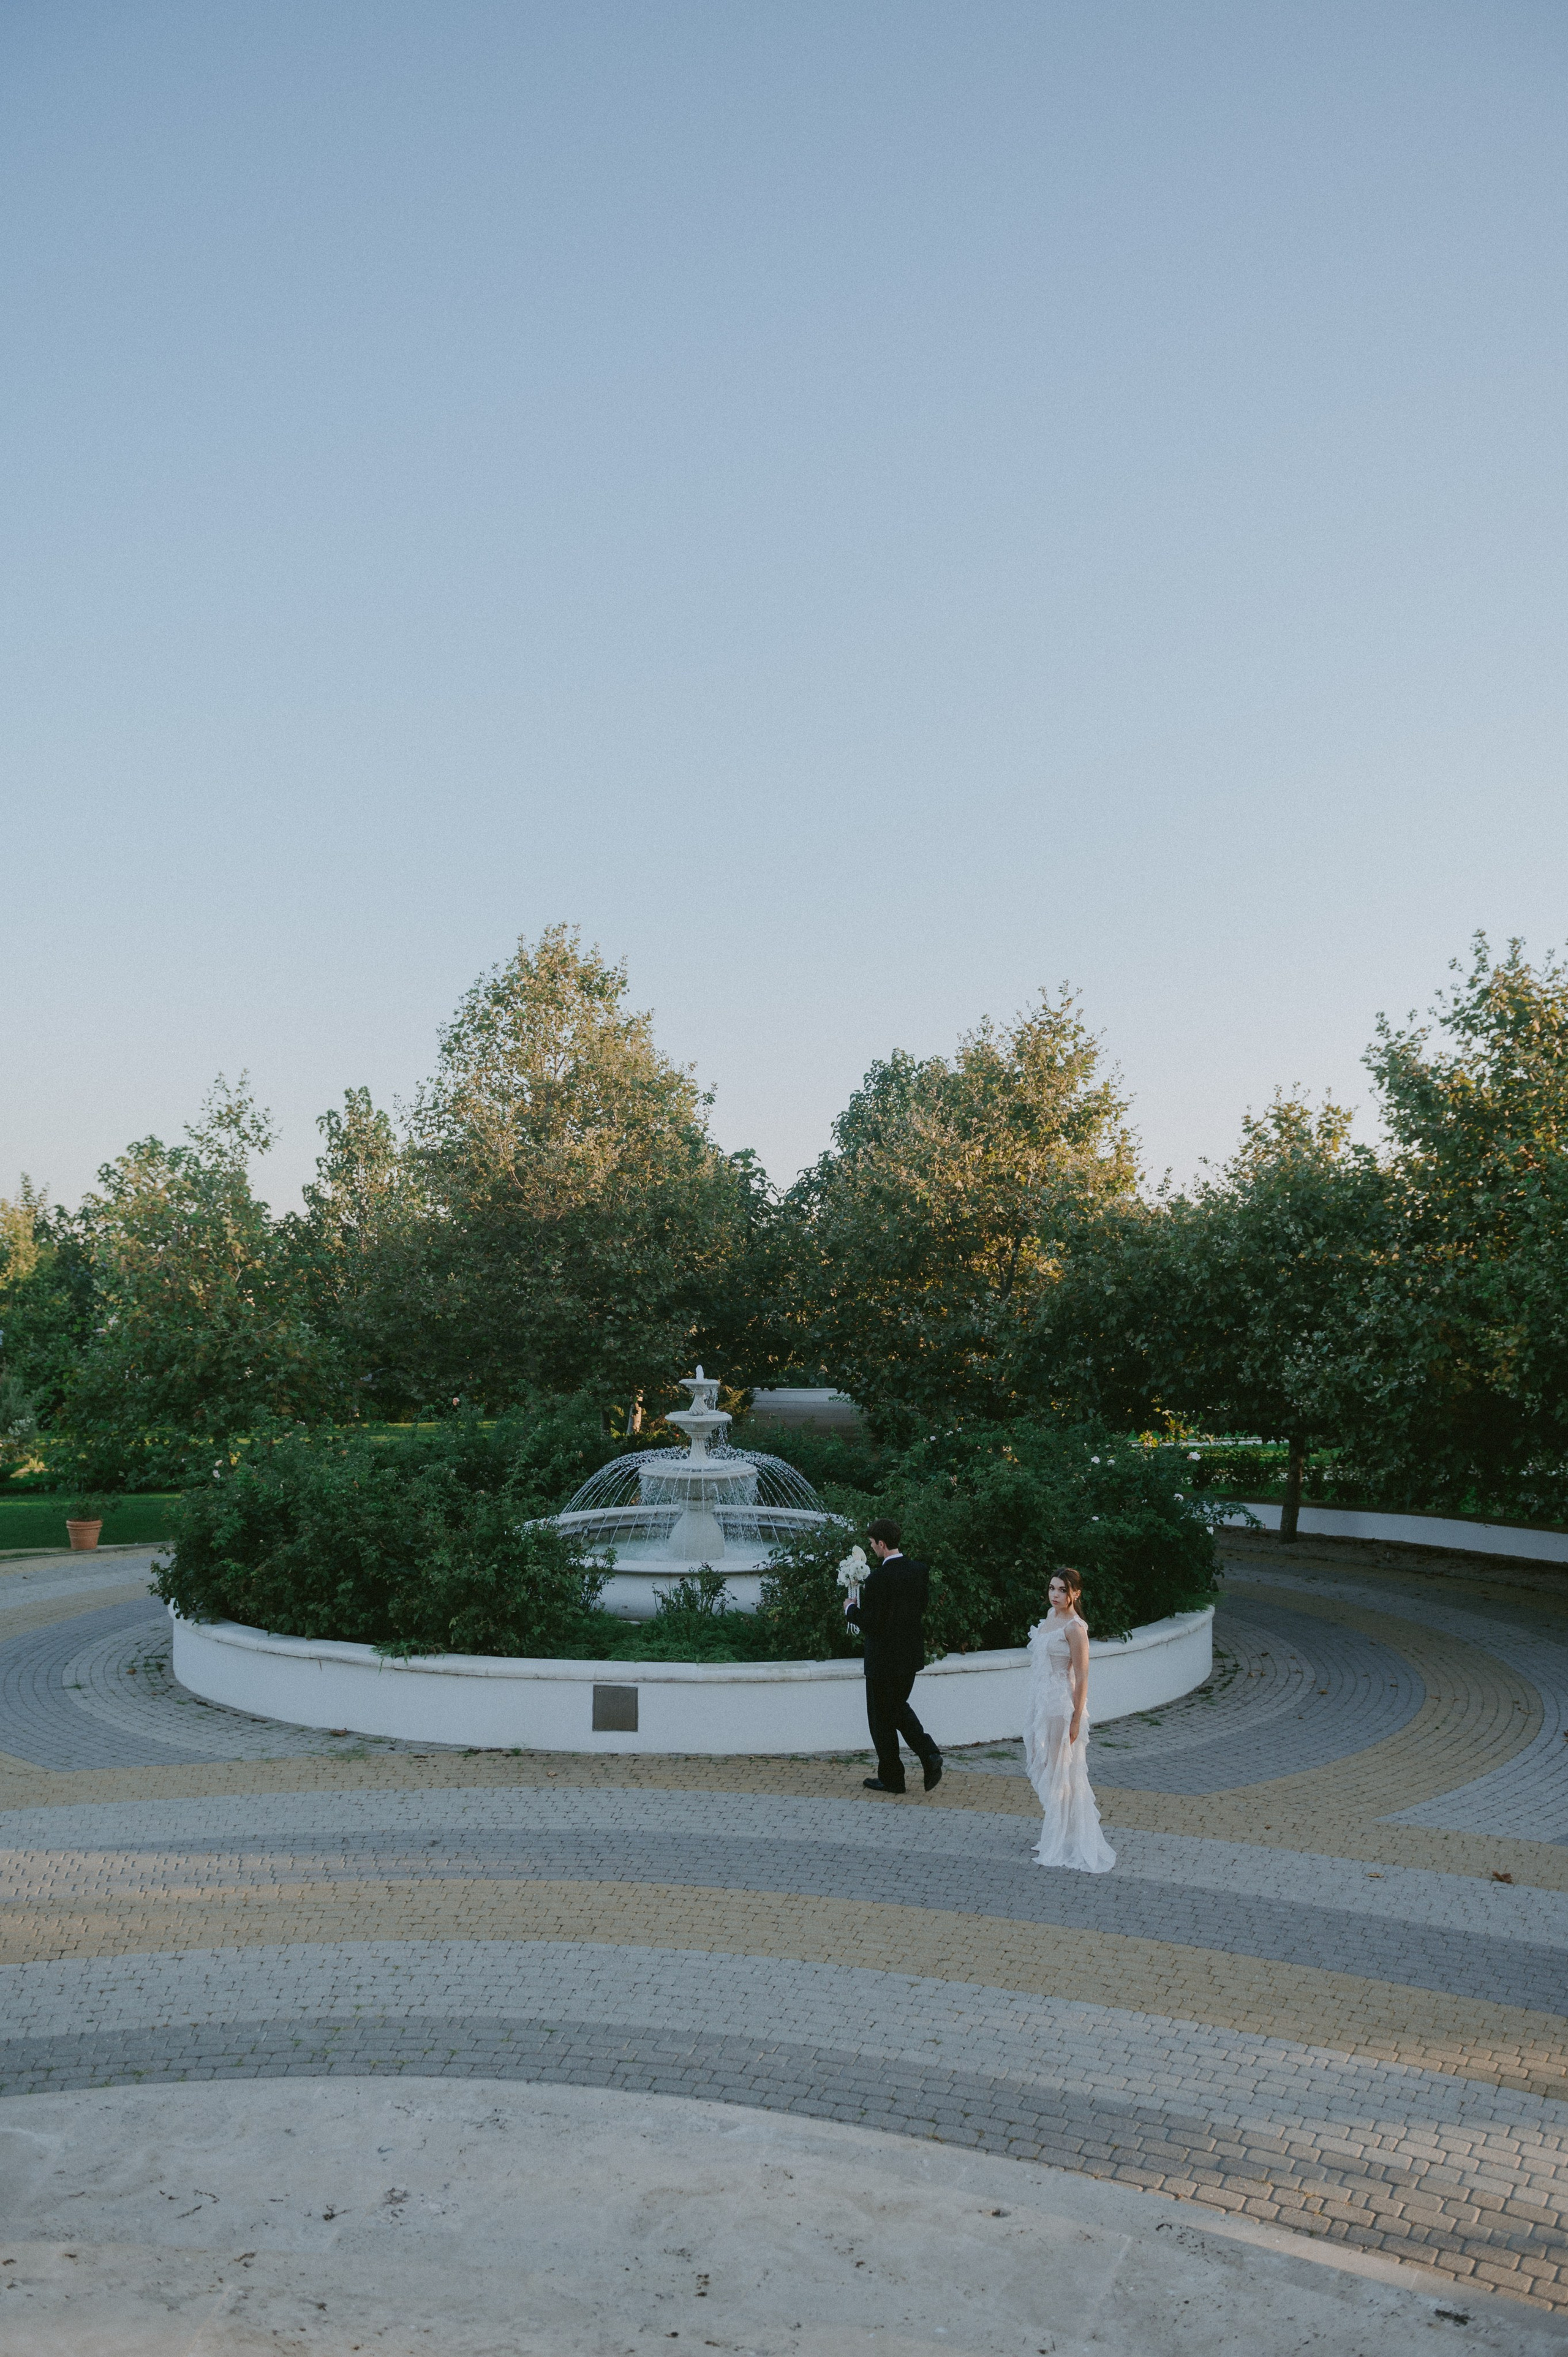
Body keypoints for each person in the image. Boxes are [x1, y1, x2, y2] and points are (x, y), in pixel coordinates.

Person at [1023, 1566, 1115, 1872]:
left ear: (1076, 1593)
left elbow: (1083, 1674)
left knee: (1061, 1772)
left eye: (1062, 1590)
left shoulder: (1075, 1629)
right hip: (1042, 1702)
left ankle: (1063, 1839)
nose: (1055, 1595)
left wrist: (1076, 1719)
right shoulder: (1050, 1618)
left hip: (1061, 1706)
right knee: (1046, 1765)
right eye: (1052, 1588)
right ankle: (1058, 1832)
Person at [843, 1518, 943, 1795]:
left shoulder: (878, 1579)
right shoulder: (918, 1570)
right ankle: (915, 1763)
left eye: (873, 1544)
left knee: (882, 1719)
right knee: (896, 1710)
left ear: (882, 1544)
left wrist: (850, 1609)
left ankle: (910, 1766)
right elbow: (919, 1607)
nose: (872, 1548)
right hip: (909, 1657)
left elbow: (873, 1624)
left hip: (883, 1661)